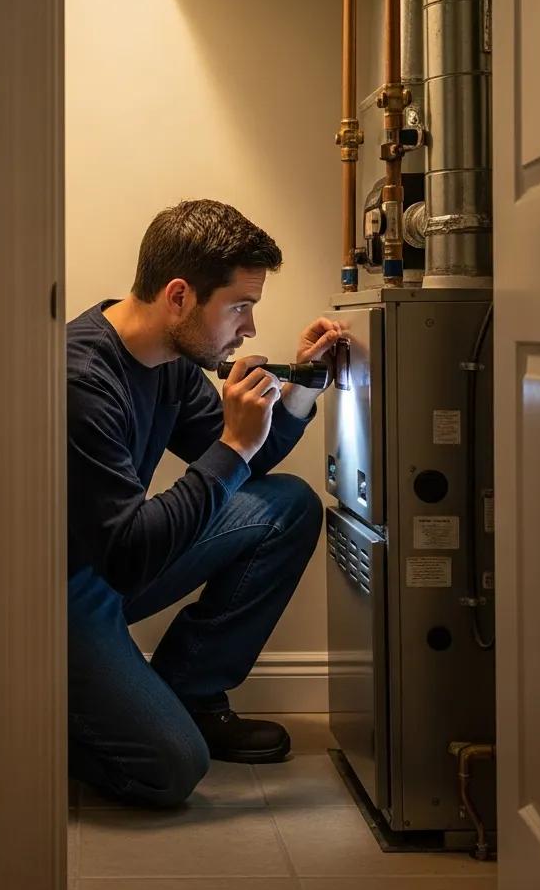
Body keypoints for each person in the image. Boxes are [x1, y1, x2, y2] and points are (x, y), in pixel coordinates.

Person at [67, 198, 343, 808]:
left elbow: (248, 466)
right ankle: (46, 721)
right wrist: (234, 443)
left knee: (286, 506)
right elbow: (130, 553)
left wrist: (298, 388)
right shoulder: (81, 379)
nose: (248, 328)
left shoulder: (168, 360)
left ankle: (190, 692)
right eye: (239, 307)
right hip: (61, 592)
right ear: (179, 296)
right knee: (172, 769)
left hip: (121, 559)